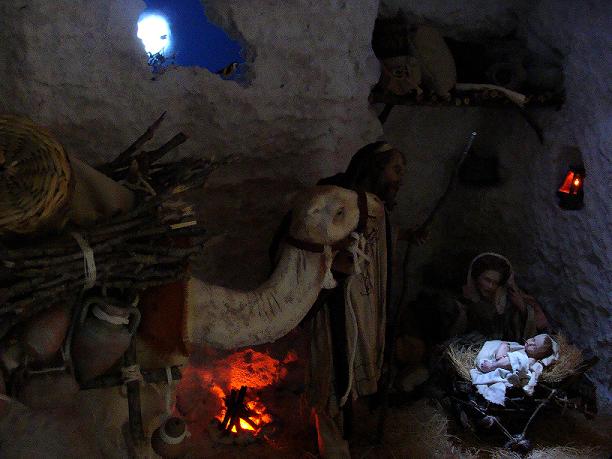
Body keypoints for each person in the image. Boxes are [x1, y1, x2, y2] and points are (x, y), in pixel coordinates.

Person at [270, 141, 407, 458]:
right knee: (333, 373)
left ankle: (349, 437)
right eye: (396, 169)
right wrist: (333, 265)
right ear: (376, 167)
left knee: (355, 374)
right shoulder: (338, 202)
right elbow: (312, 245)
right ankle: (333, 448)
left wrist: (406, 236)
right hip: (337, 306)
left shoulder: (375, 207)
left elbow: (377, 243)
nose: (401, 178)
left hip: (365, 306)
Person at [453, 252, 550, 343]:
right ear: (477, 277)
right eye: (487, 280)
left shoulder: (507, 301)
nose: (490, 286)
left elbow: (533, 329)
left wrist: (522, 308)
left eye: (495, 283)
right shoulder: (464, 298)